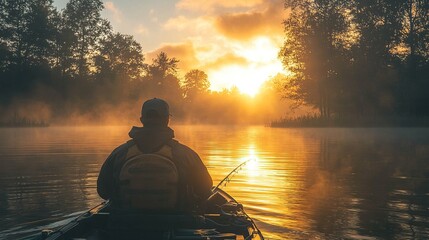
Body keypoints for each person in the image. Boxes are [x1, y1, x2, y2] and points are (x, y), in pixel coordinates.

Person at [97, 98, 212, 212]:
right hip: (175, 223)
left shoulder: (120, 153)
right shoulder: (186, 154)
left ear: (142, 119)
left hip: (126, 224)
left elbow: (103, 191)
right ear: (167, 120)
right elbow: (205, 190)